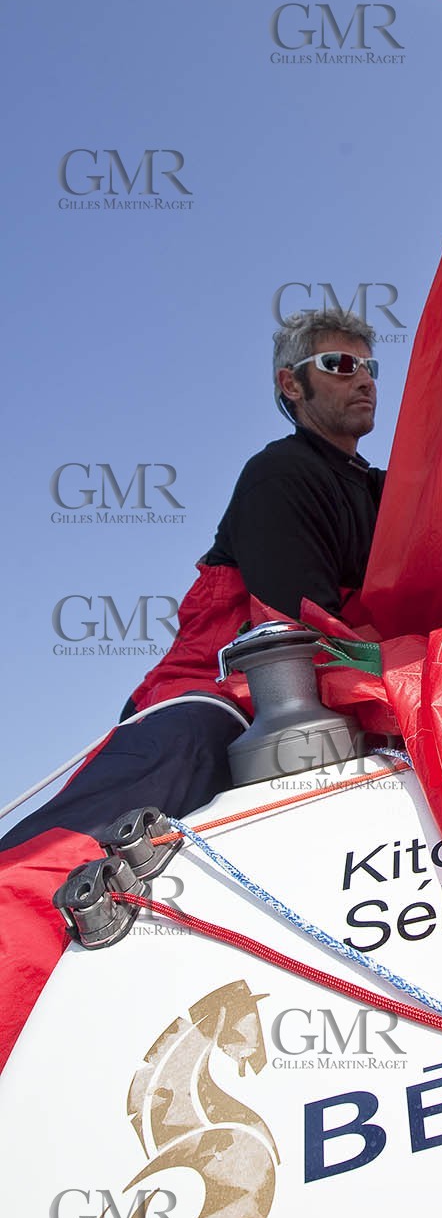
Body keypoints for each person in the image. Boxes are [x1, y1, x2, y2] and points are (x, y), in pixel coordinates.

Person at [0, 307, 387, 852]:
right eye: (341, 363)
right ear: (290, 384)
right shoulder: (279, 474)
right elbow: (300, 629)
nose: (365, 378)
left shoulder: (384, 494)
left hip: (339, 690)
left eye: (371, 367)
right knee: (112, 820)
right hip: (213, 693)